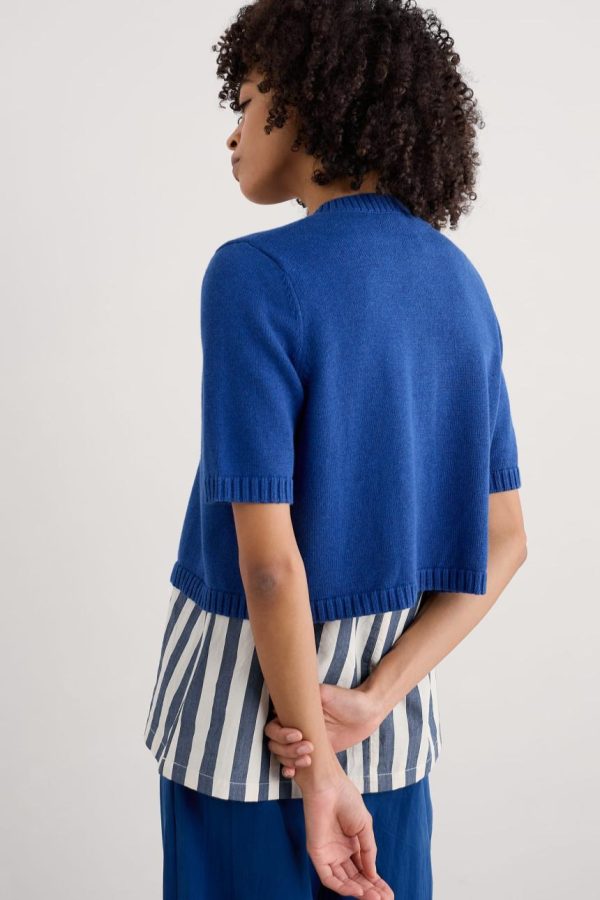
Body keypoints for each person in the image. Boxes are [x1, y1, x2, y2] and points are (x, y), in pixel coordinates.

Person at [143, 1, 528, 897]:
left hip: (244, 728)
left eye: (246, 102)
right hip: (383, 733)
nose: (233, 133)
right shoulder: (458, 283)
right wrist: (372, 700)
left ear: (307, 102)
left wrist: (316, 771)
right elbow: (507, 539)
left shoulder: (253, 275)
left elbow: (270, 566)